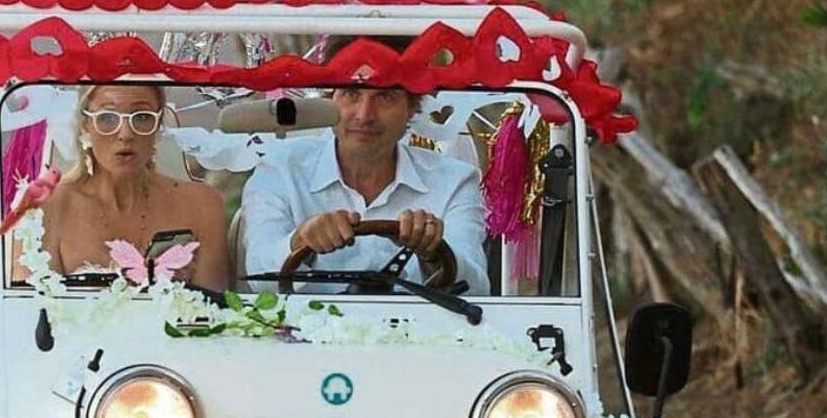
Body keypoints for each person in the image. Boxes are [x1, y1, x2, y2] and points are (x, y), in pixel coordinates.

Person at [241, 36, 489, 294]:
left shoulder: (455, 181)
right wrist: (299, 242)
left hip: (417, 333)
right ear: (331, 100)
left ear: (412, 108)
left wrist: (434, 255)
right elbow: (259, 281)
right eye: (351, 93)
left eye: (385, 97)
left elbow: (478, 290)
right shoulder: (280, 170)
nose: (364, 115)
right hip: (300, 332)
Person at [24, 84, 229, 291]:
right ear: (86, 124)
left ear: (158, 124)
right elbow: (24, 311)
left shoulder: (202, 205)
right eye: (108, 117)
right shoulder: (44, 207)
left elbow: (215, 312)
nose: (125, 134)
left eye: (141, 117)